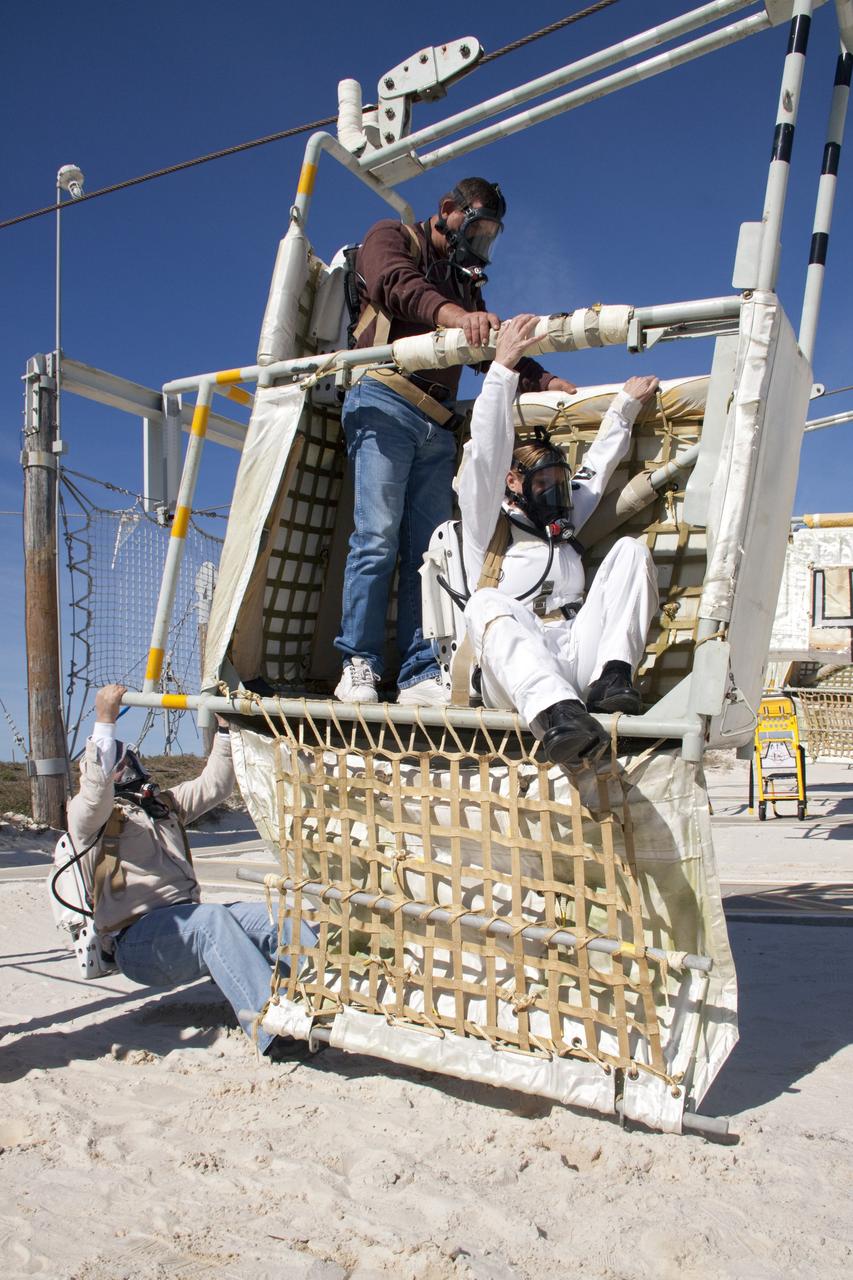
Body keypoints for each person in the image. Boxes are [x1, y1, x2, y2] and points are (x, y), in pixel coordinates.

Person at [334, 177, 575, 708]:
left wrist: (545, 382)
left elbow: (490, 344)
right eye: (478, 229)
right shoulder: (391, 237)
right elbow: (396, 285)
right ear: (449, 210)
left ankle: (422, 668)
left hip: (437, 424)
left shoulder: (467, 288)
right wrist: (459, 317)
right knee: (376, 538)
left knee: (431, 553)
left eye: (491, 236)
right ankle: (359, 663)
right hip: (384, 401)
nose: (482, 244)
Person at [63, 684, 314, 1061]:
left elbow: (216, 784)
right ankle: (272, 1028)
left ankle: (323, 999)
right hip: (137, 942)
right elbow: (95, 794)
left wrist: (227, 728)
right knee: (211, 921)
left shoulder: (162, 808)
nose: (128, 765)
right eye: (118, 761)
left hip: (185, 925)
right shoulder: (89, 820)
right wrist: (104, 721)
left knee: (278, 915)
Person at [458, 314, 661, 769]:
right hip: (514, 671)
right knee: (487, 603)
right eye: (543, 483)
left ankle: (612, 677)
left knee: (629, 550)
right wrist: (503, 369)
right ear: (514, 482)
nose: (555, 493)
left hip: (573, 651)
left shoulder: (563, 525)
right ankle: (555, 718)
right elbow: (488, 452)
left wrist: (623, 409)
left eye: (558, 482)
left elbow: (597, 468)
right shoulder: (485, 528)